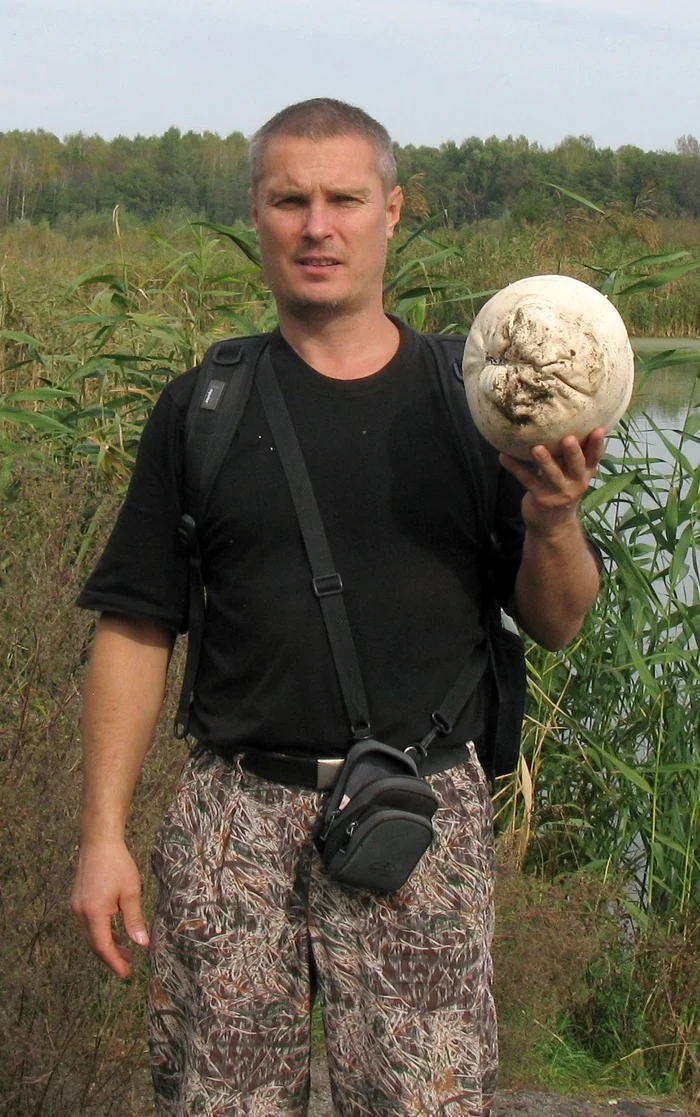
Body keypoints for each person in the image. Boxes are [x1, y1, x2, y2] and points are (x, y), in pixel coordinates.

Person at [70, 98, 604, 1117]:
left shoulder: (479, 398)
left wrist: (549, 516)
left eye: (344, 199)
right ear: (258, 216)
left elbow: (558, 618)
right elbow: (137, 628)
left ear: (392, 210)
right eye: (290, 200)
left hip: (421, 813)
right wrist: (103, 835)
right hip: (234, 816)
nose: (318, 226)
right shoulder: (203, 408)